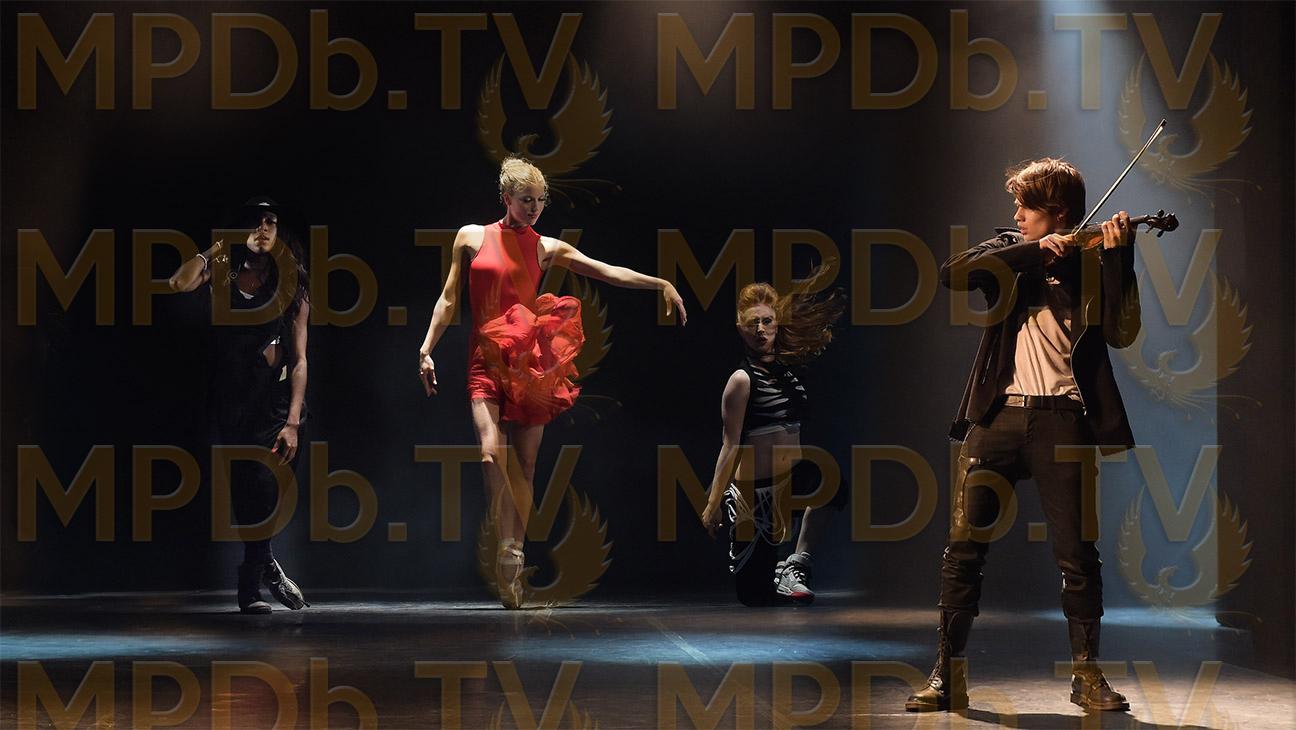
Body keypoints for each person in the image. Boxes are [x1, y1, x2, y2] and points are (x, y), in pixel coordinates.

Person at [906, 159, 1140, 712]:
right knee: (963, 550)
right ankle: (947, 675)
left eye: (1025, 206)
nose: (1016, 214)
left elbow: (1122, 331)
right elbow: (952, 273)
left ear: (1056, 211)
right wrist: (1034, 251)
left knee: (1077, 554)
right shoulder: (1008, 252)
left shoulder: (1093, 258)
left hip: (1065, 420)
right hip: (997, 419)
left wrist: (1120, 258)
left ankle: (1086, 676)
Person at [418, 156, 686, 609]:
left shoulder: (545, 246)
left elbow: (605, 270)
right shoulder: (471, 236)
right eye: (526, 200)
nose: (535, 208)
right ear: (506, 197)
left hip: (529, 363)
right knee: (490, 454)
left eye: (540, 200)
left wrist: (659, 283)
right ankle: (504, 545)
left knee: (524, 465)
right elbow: (449, 298)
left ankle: (513, 556)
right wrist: (426, 348)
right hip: (485, 359)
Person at [169, 197, 310, 614]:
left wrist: (293, 421)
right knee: (246, 489)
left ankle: (257, 569)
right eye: (255, 221)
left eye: (271, 221)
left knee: (270, 485)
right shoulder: (225, 270)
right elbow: (179, 282)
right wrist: (218, 246)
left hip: (276, 401)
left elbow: (300, 359)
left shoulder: (290, 283)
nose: (263, 228)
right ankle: (255, 579)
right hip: (233, 398)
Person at [700, 272, 844, 606]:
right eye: (753, 324)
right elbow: (730, 444)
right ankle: (770, 573)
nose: (761, 330)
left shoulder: (789, 373)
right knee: (755, 597)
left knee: (833, 482)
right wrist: (712, 503)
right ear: (741, 329)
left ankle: (796, 563)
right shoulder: (741, 380)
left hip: (791, 481)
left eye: (767, 321)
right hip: (756, 495)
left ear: (777, 324)